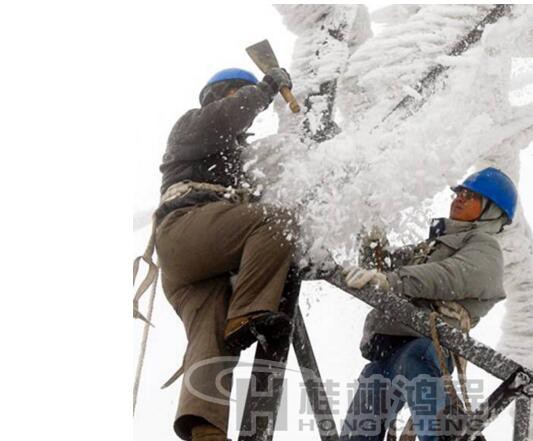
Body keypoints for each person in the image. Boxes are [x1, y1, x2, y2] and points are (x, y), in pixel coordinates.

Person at [153, 67, 297, 441]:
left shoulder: (233, 156)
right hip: (187, 228)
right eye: (239, 94)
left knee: (210, 340)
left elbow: (276, 168)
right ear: (220, 94)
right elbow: (230, 114)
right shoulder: (194, 125)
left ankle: (205, 428)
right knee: (277, 221)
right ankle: (248, 313)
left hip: (194, 260)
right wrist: (265, 89)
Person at [341, 167, 518, 441]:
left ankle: (445, 435)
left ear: (491, 211)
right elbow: (383, 268)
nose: (459, 197)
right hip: (389, 347)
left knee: (420, 375)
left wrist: (390, 280)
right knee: (360, 426)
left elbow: (449, 275)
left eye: (471, 195)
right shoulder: (432, 246)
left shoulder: (484, 247)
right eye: (459, 192)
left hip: (425, 342)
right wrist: (372, 233)